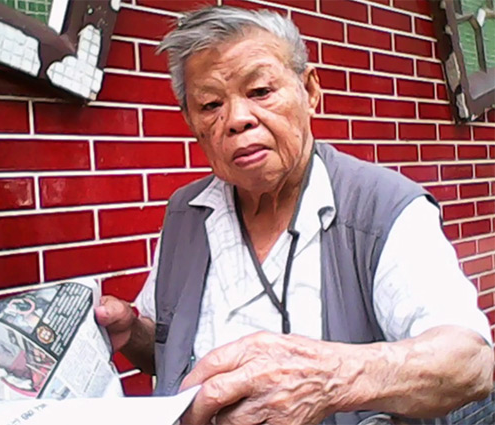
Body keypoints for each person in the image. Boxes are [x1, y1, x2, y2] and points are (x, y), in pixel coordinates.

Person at [95, 6, 493, 425]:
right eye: (210, 104)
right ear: (191, 122)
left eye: (261, 91)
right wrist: (131, 333)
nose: (237, 120)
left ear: (310, 90)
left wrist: (328, 378)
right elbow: (170, 352)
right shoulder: (186, 213)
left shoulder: (385, 207)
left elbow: (470, 362)